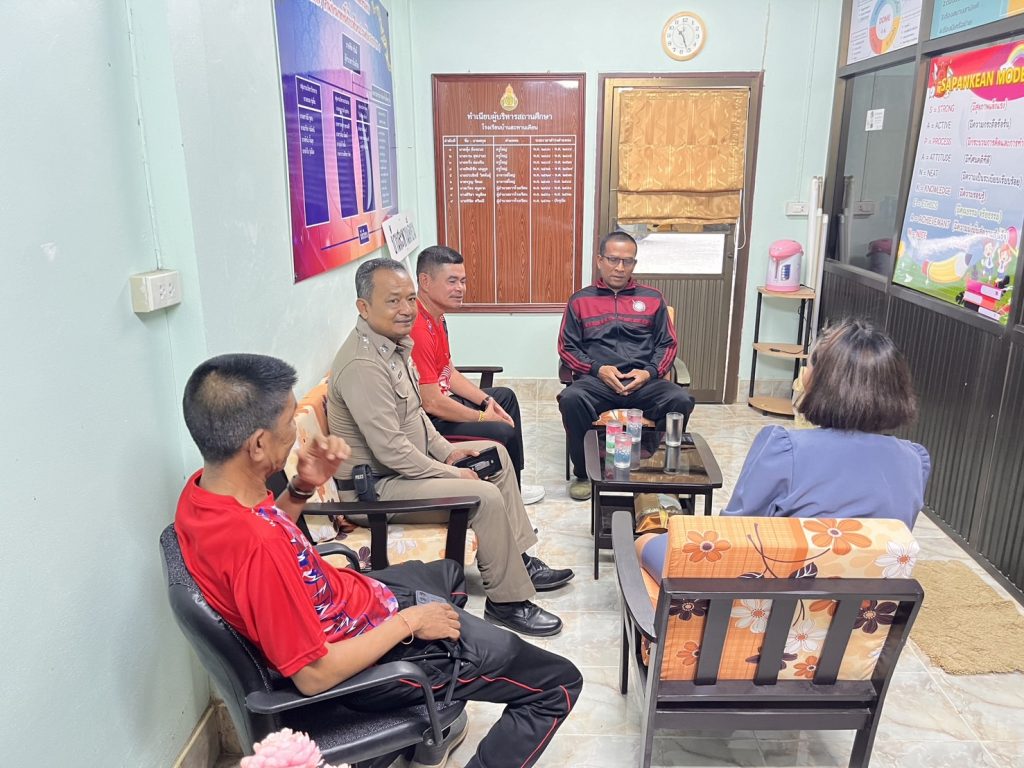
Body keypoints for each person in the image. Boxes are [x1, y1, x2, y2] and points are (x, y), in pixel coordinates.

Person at [175, 353, 582, 768]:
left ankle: (429, 722)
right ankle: (429, 690)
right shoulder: (256, 547)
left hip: (355, 604)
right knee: (557, 684)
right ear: (258, 444)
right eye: (289, 424)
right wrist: (410, 623)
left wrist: (301, 487)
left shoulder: (205, 496)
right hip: (365, 658)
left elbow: (272, 529)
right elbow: (314, 675)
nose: (296, 434)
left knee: (449, 575)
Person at [328, 257, 574, 637]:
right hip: (377, 489)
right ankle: (507, 603)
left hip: (404, 471)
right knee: (482, 495)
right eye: (393, 301)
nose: (406, 309)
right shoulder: (363, 365)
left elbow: (416, 415)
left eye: (409, 299)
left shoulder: (393, 347)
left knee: (494, 457)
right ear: (364, 306)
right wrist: (451, 472)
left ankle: (519, 561)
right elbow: (392, 450)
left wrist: (448, 452)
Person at [637, 318, 931, 581]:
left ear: (822, 381)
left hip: (765, 613)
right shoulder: (914, 461)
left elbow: (733, 535)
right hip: (859, 619)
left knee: (644, 541)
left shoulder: (785, 448)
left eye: (810, 364)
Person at [558, 231, 695, 501]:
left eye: (627, 261)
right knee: (571, 399)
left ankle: (656, 464)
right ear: (600, 260)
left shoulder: (653, 298)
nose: (620, 268)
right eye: (613, 259)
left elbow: (667, 344)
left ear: (634, 264)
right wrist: (597, 369)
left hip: (644, 381)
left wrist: (649, 372)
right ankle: (583, 473)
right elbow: (567, 348)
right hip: (598, 381)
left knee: (680, 399)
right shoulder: (580, 301)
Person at [410, 245, 545, 505]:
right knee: (500, 429)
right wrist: (483, 417)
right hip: (429, 422)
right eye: (452, 281)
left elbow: (448, 372)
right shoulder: (417, 327)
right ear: (425, 281)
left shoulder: (437, 317)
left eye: (463, 281)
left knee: (504, 397)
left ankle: (515, 485)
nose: (460, 288)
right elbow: (432, 402)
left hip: (441, 403)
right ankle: (506, 495)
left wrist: (486, 401)